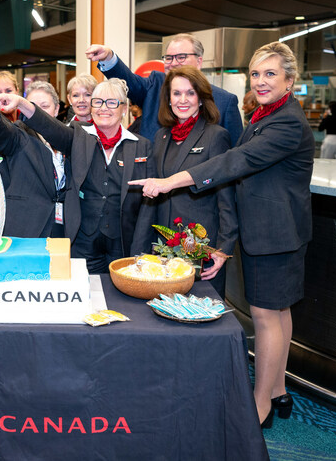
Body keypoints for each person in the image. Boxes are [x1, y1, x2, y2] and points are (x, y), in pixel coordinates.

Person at [131, 42, 313, 427]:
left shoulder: (287, 122)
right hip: (276, 230)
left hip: (274, 232)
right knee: (279, 312)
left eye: (270, 74)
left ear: (289, 81)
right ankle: (278, 389)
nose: (260, 82)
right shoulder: (266, 114)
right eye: (255, 74)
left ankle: (259, 404)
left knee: (266, 315)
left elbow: (237, 161)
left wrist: (170, 182)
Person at [0, 78, 155, 274]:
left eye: (112, 103)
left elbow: (148, 203)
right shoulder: (78, 135)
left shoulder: (141, 145)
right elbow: (48, 126)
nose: (104, 108)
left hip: (123, 241)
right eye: (98, 102)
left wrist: (141, 248)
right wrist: (22, 103)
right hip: (82, 240)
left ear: (124, 109)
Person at [150, 66, 238, 297]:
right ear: (168, 99)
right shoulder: (161, 137)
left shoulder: (216, 136)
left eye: (190, 93)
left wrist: (223, 249)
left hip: (201, 249)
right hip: (163, 248)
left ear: (201, 98)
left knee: (200, 320)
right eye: (177, 93)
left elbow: (226, 198)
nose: (183, 100)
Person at [86, 34, 243, 144]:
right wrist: (108, 58)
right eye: (169, 58)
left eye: (181, 57)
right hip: (151, 183)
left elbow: (234, 155)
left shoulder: (224, 101)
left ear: (199, 61)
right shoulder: (155, 85)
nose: (173, 63)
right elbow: (130, 82)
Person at [0, 80, 70, 238]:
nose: (38, 114)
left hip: (60, 227)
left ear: (56, 109)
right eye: (30, 106)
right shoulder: (19, 134)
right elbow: (0, 130)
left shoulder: (67, 137)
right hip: (26, 227)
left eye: (45, 107)